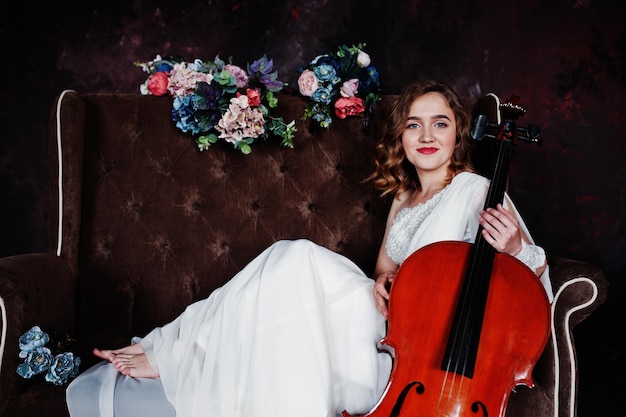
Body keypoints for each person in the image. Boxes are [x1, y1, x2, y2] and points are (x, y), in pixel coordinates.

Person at [66, 80, 553, 417]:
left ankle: (169, 350)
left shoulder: (474, 189)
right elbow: (384, 270)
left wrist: (514, 247)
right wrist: (386, 282)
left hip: (416, 349)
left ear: (458, 134)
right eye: (414, 124)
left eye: (440, 123)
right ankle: (170, 349)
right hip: (385, 320)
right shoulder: (405, 197)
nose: (426, 136)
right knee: (290, 260)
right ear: (400, 136)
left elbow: (532, 285)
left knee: (294, 256)